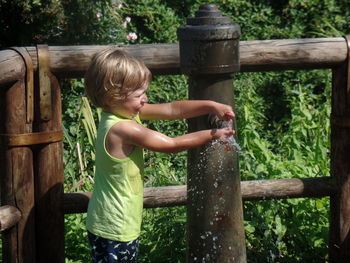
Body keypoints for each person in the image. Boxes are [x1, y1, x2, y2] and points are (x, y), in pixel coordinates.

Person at [84, 48, 235, 263]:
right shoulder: (122, 129)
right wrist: (214, 134)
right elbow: (171, 144)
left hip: (114, 221)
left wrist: (211, 105)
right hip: (114, 225)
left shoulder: (121, 112)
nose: (145, 99)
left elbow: (173, 110)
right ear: (113, 96)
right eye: (138, 95)